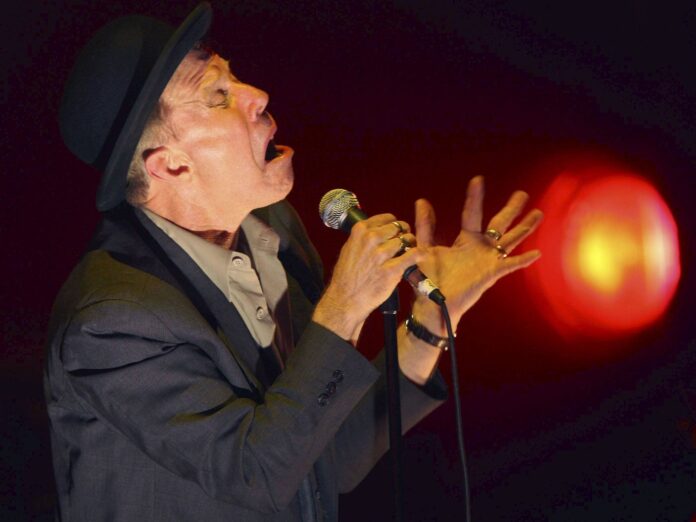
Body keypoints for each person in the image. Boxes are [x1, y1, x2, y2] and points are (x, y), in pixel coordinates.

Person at [44, 3, 543, 521]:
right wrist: (344, 307)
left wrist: (430, 323)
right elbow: (256, 472)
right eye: (219, 96)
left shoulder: (275, 233)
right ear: (170, 165)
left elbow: (323, 455)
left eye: (234, 76)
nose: (257, 95)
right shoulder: (110, 322)